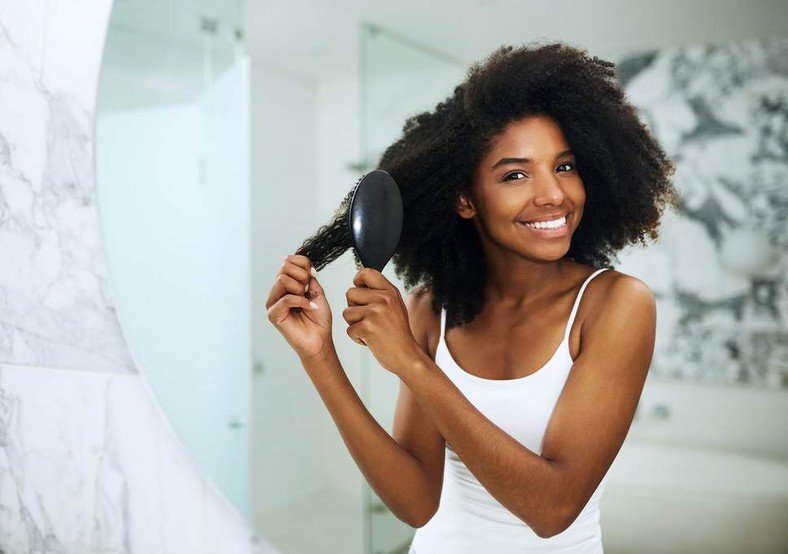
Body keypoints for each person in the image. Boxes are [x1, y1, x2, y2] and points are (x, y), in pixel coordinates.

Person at [266, 42, 678, 553]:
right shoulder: (430, 308)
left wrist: (413, 365)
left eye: (565, 166)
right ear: (465, 199)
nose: (553, 194)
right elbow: (417, 503)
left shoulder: (614, 304)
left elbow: (552, 510)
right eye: (515, 174)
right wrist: (320, 357)